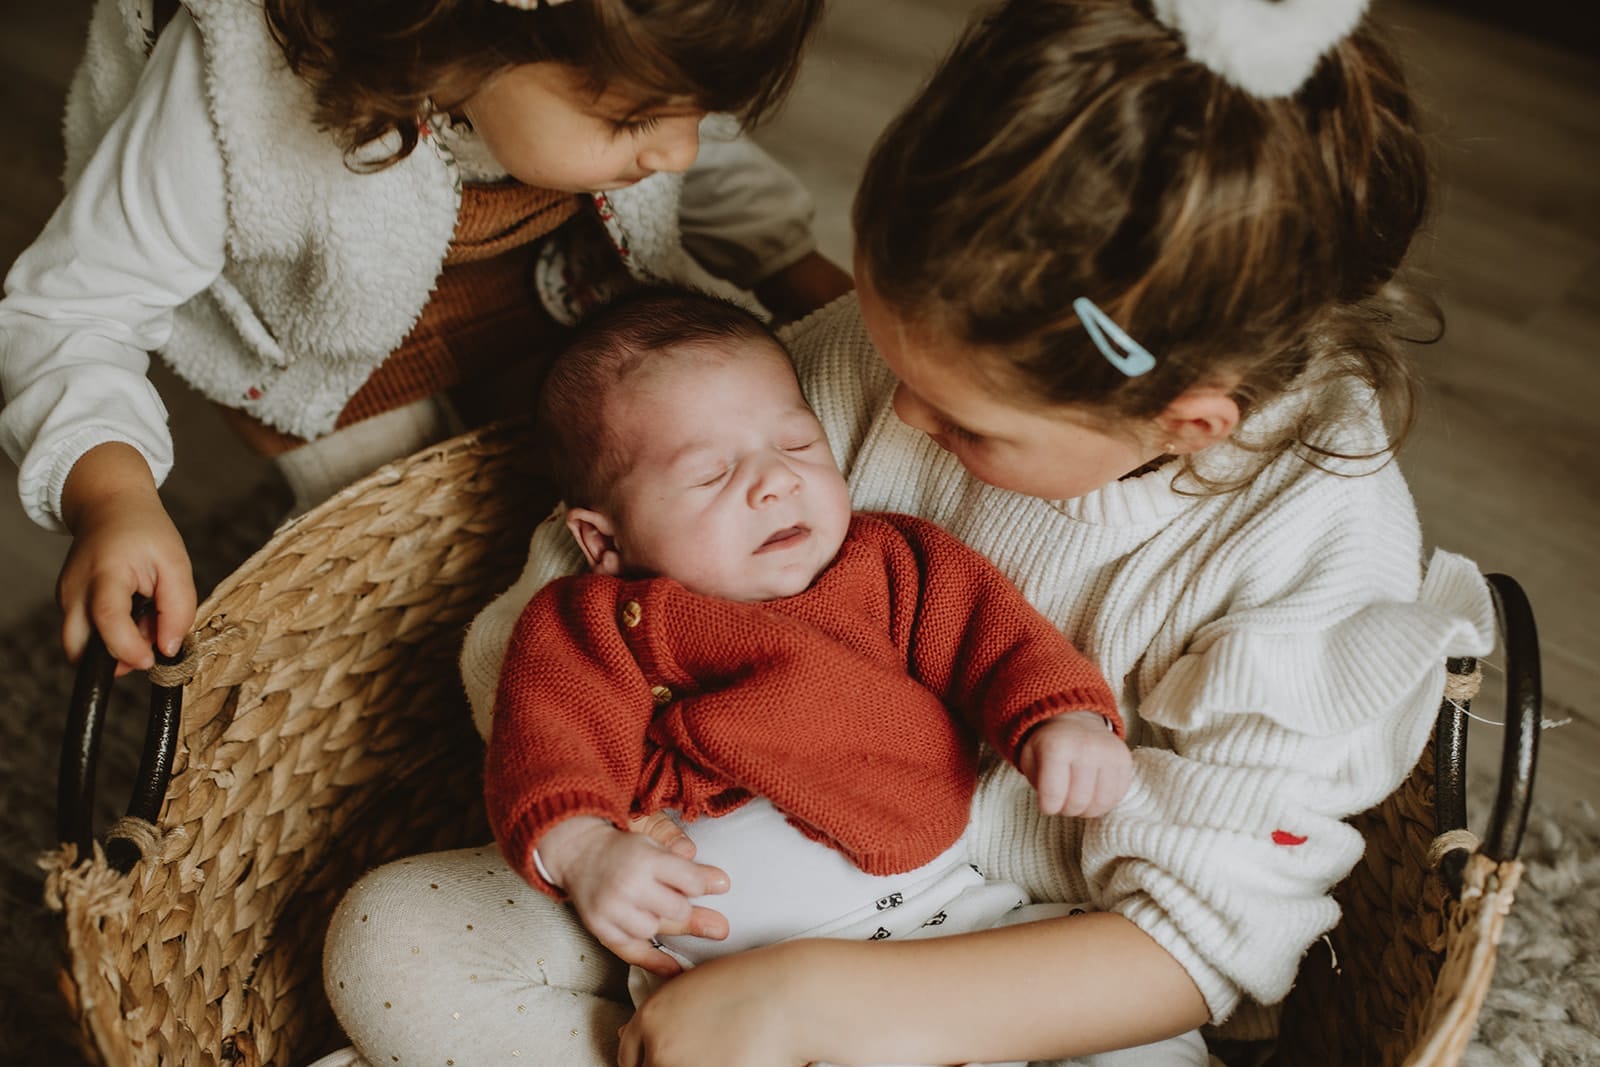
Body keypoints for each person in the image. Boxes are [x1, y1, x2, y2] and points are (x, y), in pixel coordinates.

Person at [327, 0, 1497, 1064]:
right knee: (393, 938)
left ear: (1184, 421)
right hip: (694, 879)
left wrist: (814, 1007)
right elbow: (567, 607)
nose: (894, 419)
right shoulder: (884, 354)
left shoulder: (1315, 551)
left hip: (1024, 948)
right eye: (885, 361)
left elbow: (1207, 937)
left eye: (968, 423)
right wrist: (600, 832)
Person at [0, 0, 846, 677]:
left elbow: (701, 155)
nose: (680, 149)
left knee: (611, 509)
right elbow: (73, 308)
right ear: (463, 35)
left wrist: (794, 271)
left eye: (705, 111)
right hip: (331, 366)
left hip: (555, 280)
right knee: (413, 589)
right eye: (634, 121)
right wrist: (111, 497)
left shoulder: (623, 63)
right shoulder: (230, 93)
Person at [484, 289, 1158, 1067]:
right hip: (731, 1009)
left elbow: (995, 637)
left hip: (953, 932)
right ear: (602, 541)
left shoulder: (889, 562)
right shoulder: (593, 622)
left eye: (799, 444)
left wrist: (1062, 719)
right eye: (711, 474)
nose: (775, 482)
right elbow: (546, 739)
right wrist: (583, 848)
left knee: (1134, 1035)